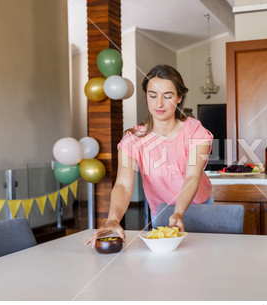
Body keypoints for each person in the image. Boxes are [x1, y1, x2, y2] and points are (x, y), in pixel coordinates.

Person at [85, 65, 213, 247]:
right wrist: (113, 219)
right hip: (161, 212)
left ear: (179, 98)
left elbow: (192, 176)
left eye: (167, 96)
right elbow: (123, 184)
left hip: (201, 208)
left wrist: (178, 212)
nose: (159, 104)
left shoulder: (195, 131)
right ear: (146, 96)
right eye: (153, 95)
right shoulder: (133, 139)